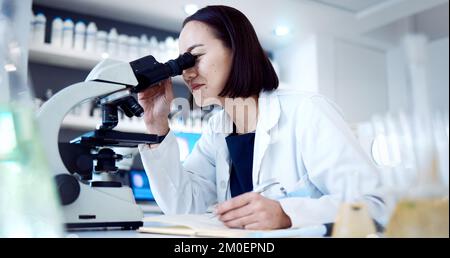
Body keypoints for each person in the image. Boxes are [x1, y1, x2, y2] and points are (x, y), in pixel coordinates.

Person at [137, 5, 384, 230]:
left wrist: (288, 213)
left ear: (237, 50)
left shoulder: (307, 111)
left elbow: (375, 204)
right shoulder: (217, 130)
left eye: (195, 57)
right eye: (182, 65)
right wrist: (156, 124)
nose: (187, 74)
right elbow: (184, 207)